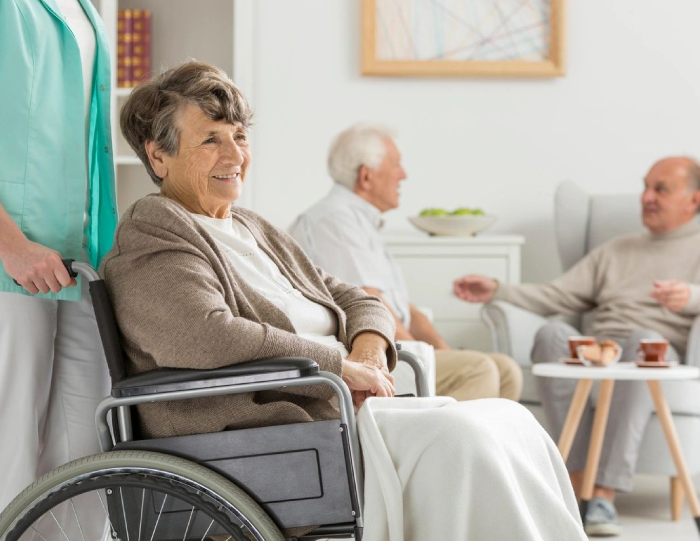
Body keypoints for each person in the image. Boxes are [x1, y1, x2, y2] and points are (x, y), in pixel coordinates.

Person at [101, 60, 586, 540]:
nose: (234, 155)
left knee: (510, 420)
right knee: (462, 440)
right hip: (270, 433)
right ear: (158, 157)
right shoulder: (154, 229)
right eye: (211, 139)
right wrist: (337, 366)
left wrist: (369, 357)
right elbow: (205, 336)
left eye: (240, 136)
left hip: (337, 409)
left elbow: (357, 298)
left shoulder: (252, 226)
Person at [454, 156, 700, 537]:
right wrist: (499, 289)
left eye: (661, 189)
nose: (647, 197)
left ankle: (604, 493)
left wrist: (692, 297)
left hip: (652, 349)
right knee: (552, 334)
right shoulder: (618, 249)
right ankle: (575, 480)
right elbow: (558, 294)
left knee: (643, 342)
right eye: (646, 186)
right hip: (600, 347)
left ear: (694, 200)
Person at [289, 124, 522, 402]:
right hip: (366, 359)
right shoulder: (334, 222)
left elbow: (406, 311)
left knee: (507, 370)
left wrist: (443, 353)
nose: (404, 174)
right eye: (396, 164)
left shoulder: (359, 222)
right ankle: (448, 444)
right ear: (366, 176)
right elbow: (371, 304)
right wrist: (420, 358)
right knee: (478, 369)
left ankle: (489, 447)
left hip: (394, 346)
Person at [0, 0, 117, 515]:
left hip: (80, 257)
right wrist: (11, 245)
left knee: (81, 452)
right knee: (12, 447)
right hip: (12, 265)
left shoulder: (87, 8)